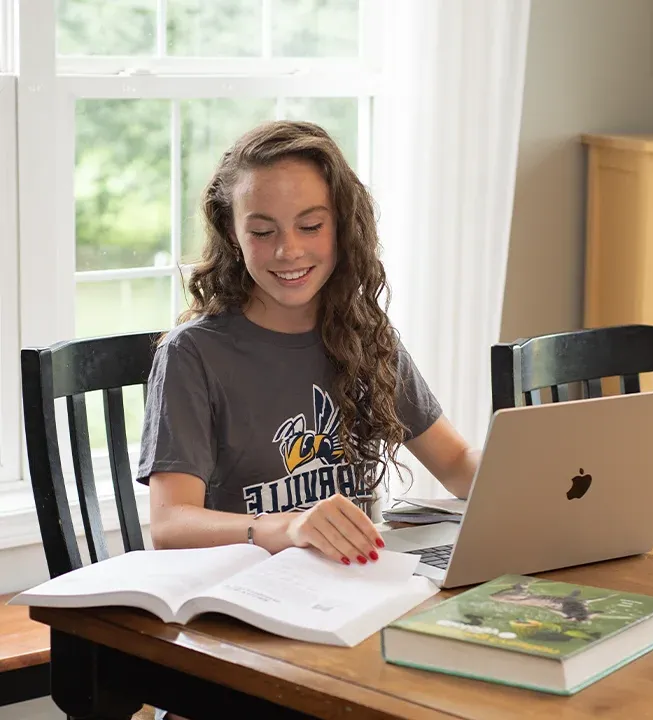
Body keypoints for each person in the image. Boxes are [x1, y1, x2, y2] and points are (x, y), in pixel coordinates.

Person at [137, 119, 480, 720]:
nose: (288, 251)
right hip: (244, 635)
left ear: (342, 228)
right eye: (262, 231)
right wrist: (284, 527)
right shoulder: (193, 355)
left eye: (310, 226)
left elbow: (453, 463)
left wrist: (536, 473)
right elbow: (169, 523)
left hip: (357, 614)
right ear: (233, 236)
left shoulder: (366, 336)